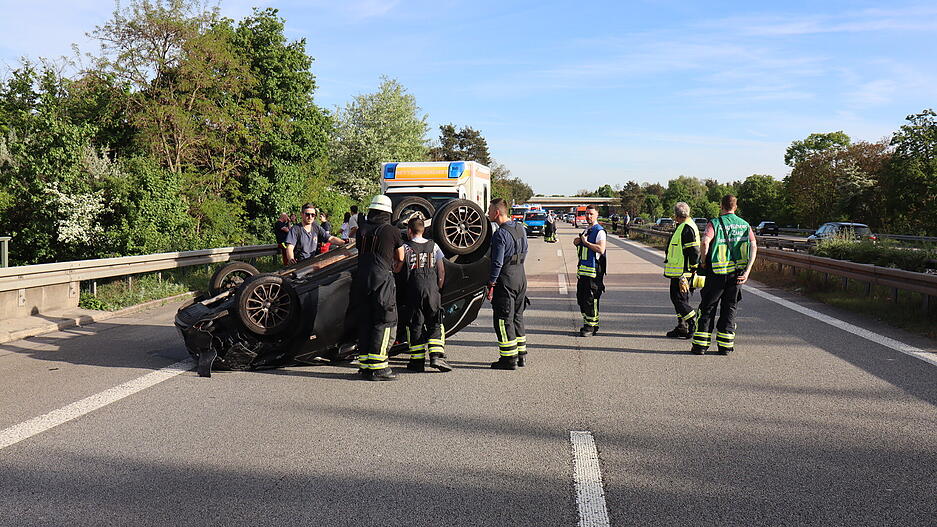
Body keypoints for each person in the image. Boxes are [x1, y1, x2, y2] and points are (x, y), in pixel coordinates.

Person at [690, 194, 758, 355]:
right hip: (737, 275)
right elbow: (754, 247)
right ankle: (725, 346)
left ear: (721, 206)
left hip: (716, 273)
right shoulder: (745, 225)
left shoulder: (714, 223)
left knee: (708, 307)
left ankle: (700, 346)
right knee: (730, 309)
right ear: (736, 206)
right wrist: (747, 271)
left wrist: (704, 262)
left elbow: (705, 242)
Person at [352, 195, 405, 380]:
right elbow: (400, 257)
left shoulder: (362, 230)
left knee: (366, 321)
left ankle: (365, 365)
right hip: (382, 280)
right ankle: (379, 367)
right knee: (385, 320)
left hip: (361, 280)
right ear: (387, 213)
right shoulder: (392, 231)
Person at [400, 218, 452, 373]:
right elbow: (441, 270)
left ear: (409, 230)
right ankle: (436, 356)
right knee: (435, 322)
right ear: (423, 230)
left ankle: (417, 361)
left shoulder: (406, 247)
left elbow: (399, 267)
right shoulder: (434, 246)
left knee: (415, 323)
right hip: (432, 289)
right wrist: (438, 288)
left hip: (414, 289)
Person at [486, 198, 529, 370]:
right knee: (517, 316)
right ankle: (521, 355)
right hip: (520, 276)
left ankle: (508, 359)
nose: (488, 213)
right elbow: (525, 250)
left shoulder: (500, 234)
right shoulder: (520, 228)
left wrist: (492, 282)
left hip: (506, 279)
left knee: (503, 320)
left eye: (489, 210)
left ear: (497, 213)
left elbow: (497, 262)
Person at [663, 202, 701, 339]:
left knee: (678, 299)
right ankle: (682, 326)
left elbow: (694, 251)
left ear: (677, 216)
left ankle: (692, 321)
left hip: (683, 272)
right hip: (679, 271)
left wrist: (692, 270)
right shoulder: (684, 226)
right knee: (680, 299)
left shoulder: (687, 228)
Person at [574, 205, 607, 336]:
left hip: (594, 273)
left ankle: (592, 327)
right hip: (583, 272)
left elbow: (601, 249)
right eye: (587, 214)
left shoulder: (599, 231)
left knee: (591, 300)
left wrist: (586, 243)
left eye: (591, 214)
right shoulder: (587, 230)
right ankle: (587, 323)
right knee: (581, 299)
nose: (588, 216)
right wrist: (578, 241)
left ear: (597, 215)